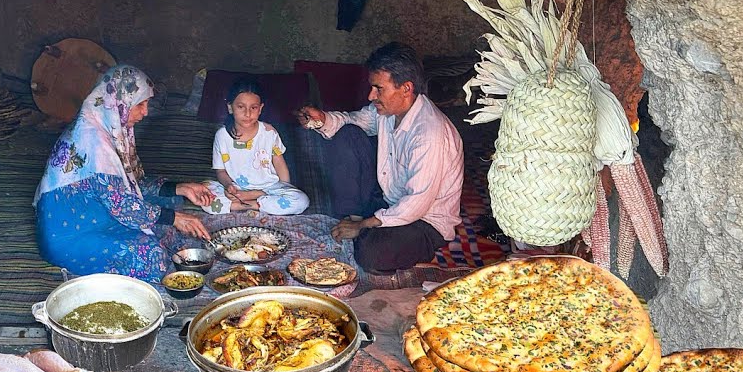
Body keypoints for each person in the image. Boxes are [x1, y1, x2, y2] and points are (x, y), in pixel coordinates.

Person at [34, 65, 214, 283]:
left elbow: (131, 183)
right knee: (151, 256)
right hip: (72, 234)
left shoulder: (110, 127)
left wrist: (181, 187)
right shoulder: (92, 141)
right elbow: (122, 204)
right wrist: (174, 218)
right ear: (118, 102)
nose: (145, 112)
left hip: (102, 210)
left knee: (170, 199)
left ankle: (164, 232)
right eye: (140, 105)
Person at [299, 42, 463, 274]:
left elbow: (415, 205)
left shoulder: (429, 133)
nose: (371, 95)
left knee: (372, 254)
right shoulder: (387, 111)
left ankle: (361, 230)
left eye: (379, 89)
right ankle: (355, 219)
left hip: (424, 221)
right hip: (389, 199)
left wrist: (363, 225)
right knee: (347, 134)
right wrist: (321, 119)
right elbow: (354, 120)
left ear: (406, 88)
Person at [201, 77, 310, 216]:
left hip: (268, 188)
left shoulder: (269, 132)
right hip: (237, 189)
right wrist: (229, 186)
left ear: (260, 109)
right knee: (204, 193)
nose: (247, 113)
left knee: (301, 200)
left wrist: (285, 187)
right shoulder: (222, 136)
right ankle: (253, 203)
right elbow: (220, 171)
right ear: (230, 107)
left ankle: (251, 202)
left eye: (253, 108)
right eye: (241, 107)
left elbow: (279, 162)